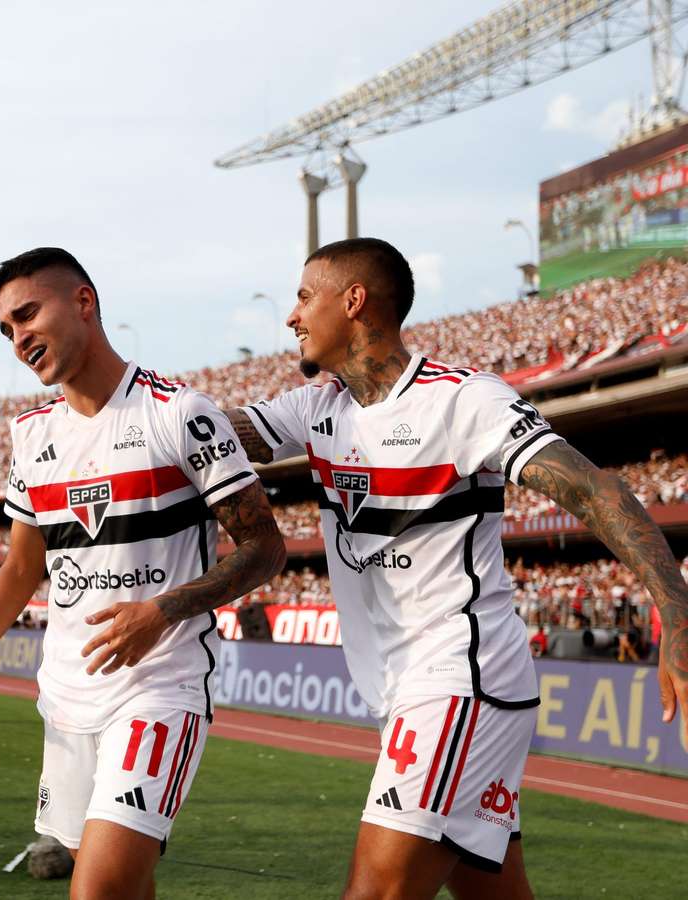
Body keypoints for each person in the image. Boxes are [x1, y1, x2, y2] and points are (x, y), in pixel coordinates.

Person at [226, 237, 688, 900]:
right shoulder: (317, 408)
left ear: (353, 301)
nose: (291, 316)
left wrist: (676, 617)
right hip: (411, 689)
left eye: (304, 297)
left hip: (460, 680)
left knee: (375, 892)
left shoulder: (464, 400)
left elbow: (596, 490)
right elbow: (204, 437)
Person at [0, 248, 286, 899]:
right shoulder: (31, 436)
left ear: (84, 302)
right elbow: (19, 567)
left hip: (160, 684)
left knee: (97, 889)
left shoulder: (181, 414)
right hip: (65, 696)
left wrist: (160, 613)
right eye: (7, 329)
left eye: (28, 315)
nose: (18, 339)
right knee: (117, 880)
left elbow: (264, 547)